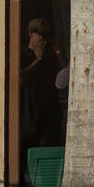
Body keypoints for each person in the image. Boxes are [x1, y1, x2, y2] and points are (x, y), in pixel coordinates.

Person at [19, 17, 64, 151]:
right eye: (41, 35)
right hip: (30, 115)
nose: (44, 39)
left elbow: (63, 73)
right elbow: (19, 76)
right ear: (31, 34)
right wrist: (38, 59)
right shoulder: (23, 54)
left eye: (46, 35)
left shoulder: (50, 55)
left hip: (50, 114)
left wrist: (58, 52)